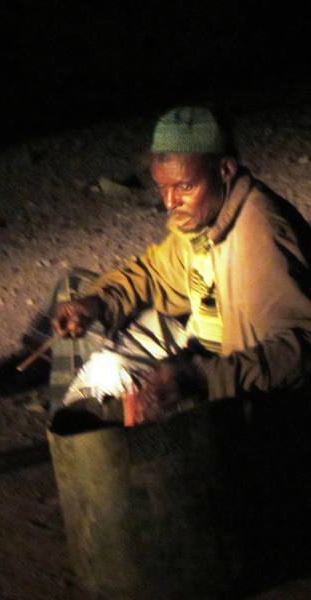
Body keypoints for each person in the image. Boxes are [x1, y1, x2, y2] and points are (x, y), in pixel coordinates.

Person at [48, 106, 311, 423]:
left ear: (225, 170)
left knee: (117, 380)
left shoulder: (260, 234)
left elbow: (299, 353)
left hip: (233, 376)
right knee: (78, 293)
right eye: (163, 187)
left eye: (185, 187)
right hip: (196, 343)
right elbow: (155, 273)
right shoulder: (204, 217)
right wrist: (97, 302)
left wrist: (198, 378)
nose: (170, 202)